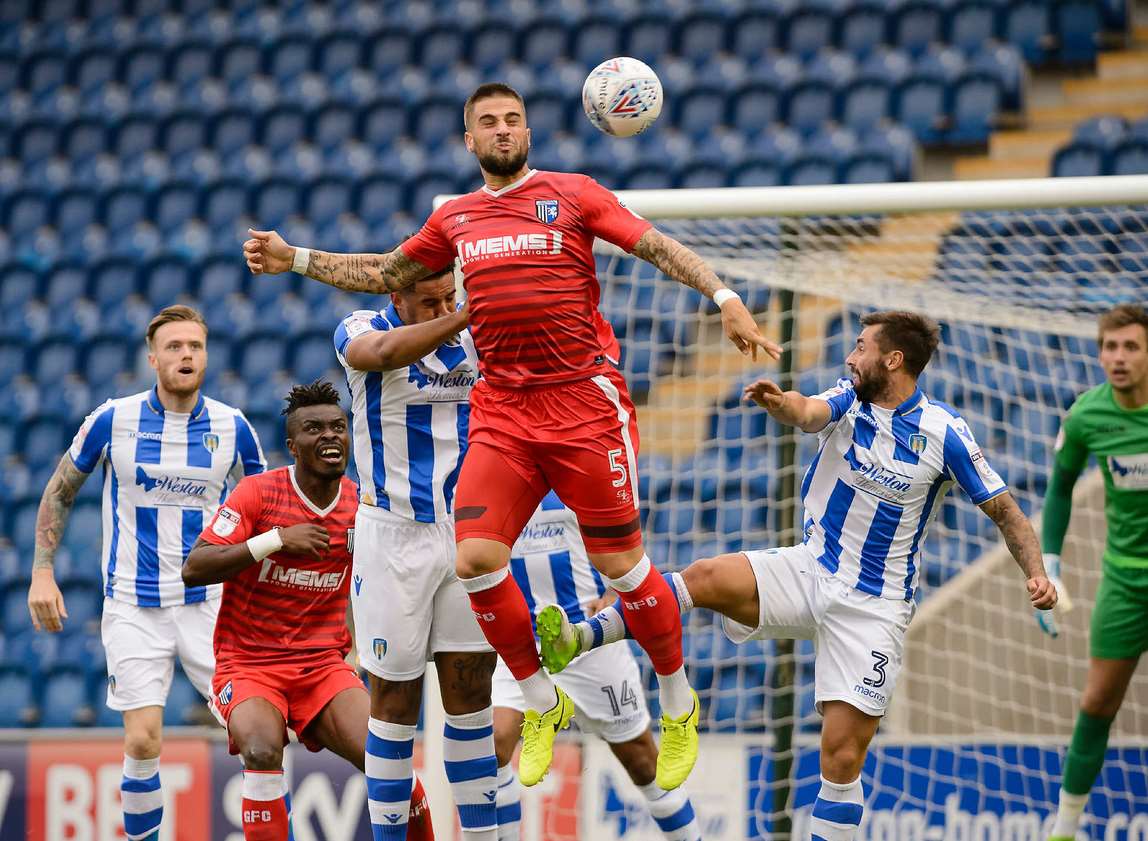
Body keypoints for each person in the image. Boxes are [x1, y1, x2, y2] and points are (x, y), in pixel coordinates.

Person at [243, 81, 780, 791]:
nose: (502, 130)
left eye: (513, 119)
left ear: (527, 130)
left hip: (583, 403)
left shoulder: (573, 193)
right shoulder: (458, 219)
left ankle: (678, 701)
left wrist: (726, 297)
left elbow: (656, 247)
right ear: (470, 140)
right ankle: (538, 700)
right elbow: (386, 273)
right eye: (488, 122)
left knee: (623, 567)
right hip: (504, 410)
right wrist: (297, 258)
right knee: (476, 559)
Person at [540, 310, 1057, 841]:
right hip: (811, 570)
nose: (851, 357)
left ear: (893, 359)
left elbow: (1005, 511)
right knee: (705, 577)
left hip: (873, 609)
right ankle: (581, 636)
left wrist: (1036, 573)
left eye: (861, 347)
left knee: (840, 758)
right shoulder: (849, 399)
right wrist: (779, 401)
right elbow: (808, 412)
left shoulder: (944, 433)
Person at [26, 305, 267, 841]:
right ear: (153, 357)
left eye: (196, 346)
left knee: (258, 734)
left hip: (211, 606)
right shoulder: (114, 419)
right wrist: (43, 571)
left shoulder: (234, 427)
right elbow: (61, 489)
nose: (186, 355)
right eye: (176, 346)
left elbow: (271, 507)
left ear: (206, 356)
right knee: (142, 740)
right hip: (133, 604)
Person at [183, 380, 433, 841]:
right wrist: (275, 540)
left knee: (390, 762)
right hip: (251, 664)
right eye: (314, 429)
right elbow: (194, 567)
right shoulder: (258, 495)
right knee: (260, 751)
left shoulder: (364, 506)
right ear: (292, 445)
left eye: (338, 427)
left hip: (321, 667)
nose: (329, 436)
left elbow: (385, 582)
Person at [333, 265, 499, 840]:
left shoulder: (474, 338)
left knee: (471, 692)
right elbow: (379, 352)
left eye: (448, 298)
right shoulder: (360, 327)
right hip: (391, 537)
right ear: (395, 296)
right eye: (428, 301)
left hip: (468, 532)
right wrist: (460, 317)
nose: (441, 309)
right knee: (395, 702)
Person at [491, 492, 701, 841]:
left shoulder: (574, 473)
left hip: (589, 638)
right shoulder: (500, 471)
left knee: (644, 764)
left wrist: (618, 593)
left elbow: (623, 542)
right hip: (523, 646)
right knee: (493, 746)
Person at [1040, 304, 1148, 841]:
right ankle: (1065, 828)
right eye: (1110, 347)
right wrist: (1051, 564)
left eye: (1130, 346)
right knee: (1097, 702)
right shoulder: (1086, 416)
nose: (1118, 358)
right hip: (1125, 583)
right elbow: (1060, 489)